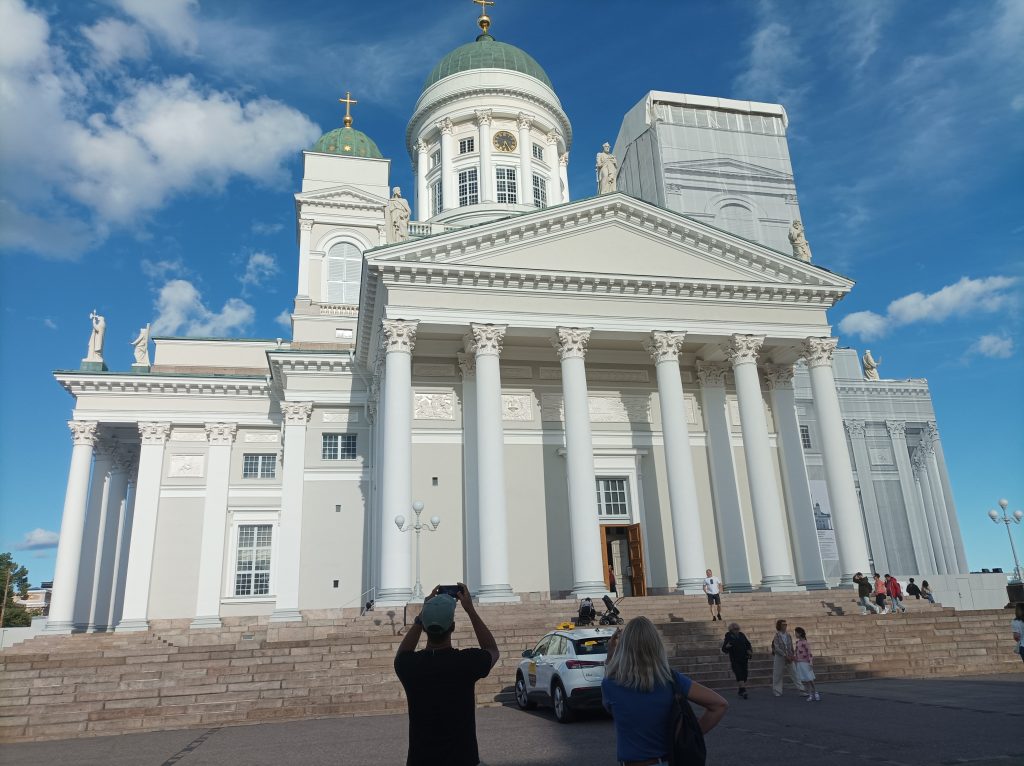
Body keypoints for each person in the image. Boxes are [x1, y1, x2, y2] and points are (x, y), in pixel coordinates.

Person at [394, 583, 499, 766]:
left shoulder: (410, 666)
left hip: (421, 760)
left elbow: (401, 654)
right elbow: (492, 650)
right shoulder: (465, 663)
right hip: (462, 759)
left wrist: (421, 617)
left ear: (425, 627)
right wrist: (470, 610)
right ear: (453, 626)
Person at [602, 616, 727, 766]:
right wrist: (691, 736)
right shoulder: (671, 679)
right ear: (656, 645)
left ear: (624, 647)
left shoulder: (610, 685)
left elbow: (610, 706)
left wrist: (611, 655)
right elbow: (719, 705)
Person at [771, 619, 806, 697]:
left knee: (794, 673)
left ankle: (801, 690)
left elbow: (791, 646)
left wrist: (792, 655)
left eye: (786, 624)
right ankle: (777, 691)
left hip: (789, 657)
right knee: (777, 674)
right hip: (780, 657)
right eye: (783, 624)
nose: (785, 626)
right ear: (779, 626)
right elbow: (776, 647)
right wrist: (784, 655)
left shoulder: (788, 635)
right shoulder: (777, 635)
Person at [721, 622, 753, 699]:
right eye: (735, 629)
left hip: (744, 658)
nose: (737, 630)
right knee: (739, 674)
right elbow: (724, 648)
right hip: (735, 659)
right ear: (731, 630)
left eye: (738, 629)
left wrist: (749, 650)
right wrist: (727, 646)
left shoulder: (741, 635)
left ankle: (740, 690)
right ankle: (744, 691)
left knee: (745, 675)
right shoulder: (729, 636)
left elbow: (748, 644)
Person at [793, 627, 820, 702]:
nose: (795, 634)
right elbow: (796, 652)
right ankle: (811, 694)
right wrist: (794, 659)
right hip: (800, 663)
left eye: (796, 633)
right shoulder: (797, 642)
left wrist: (810, 662)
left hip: (806, 662)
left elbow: (809, 653)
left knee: (810, 679)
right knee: (806, 680)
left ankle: (816, 692)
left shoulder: (805, 642)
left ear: (800, 633)